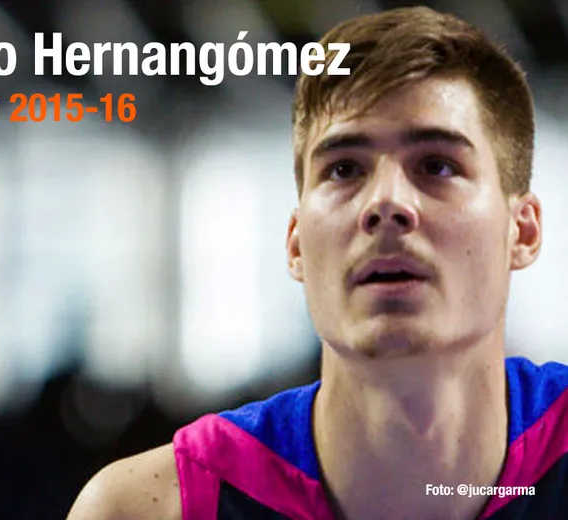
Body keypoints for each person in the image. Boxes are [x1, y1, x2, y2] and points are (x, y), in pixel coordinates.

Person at [66, 6, 568, 520]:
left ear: (523, 231)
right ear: (296, 245)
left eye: (437, 165)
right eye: (344, 169)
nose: (386, 202)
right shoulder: (148, 508)